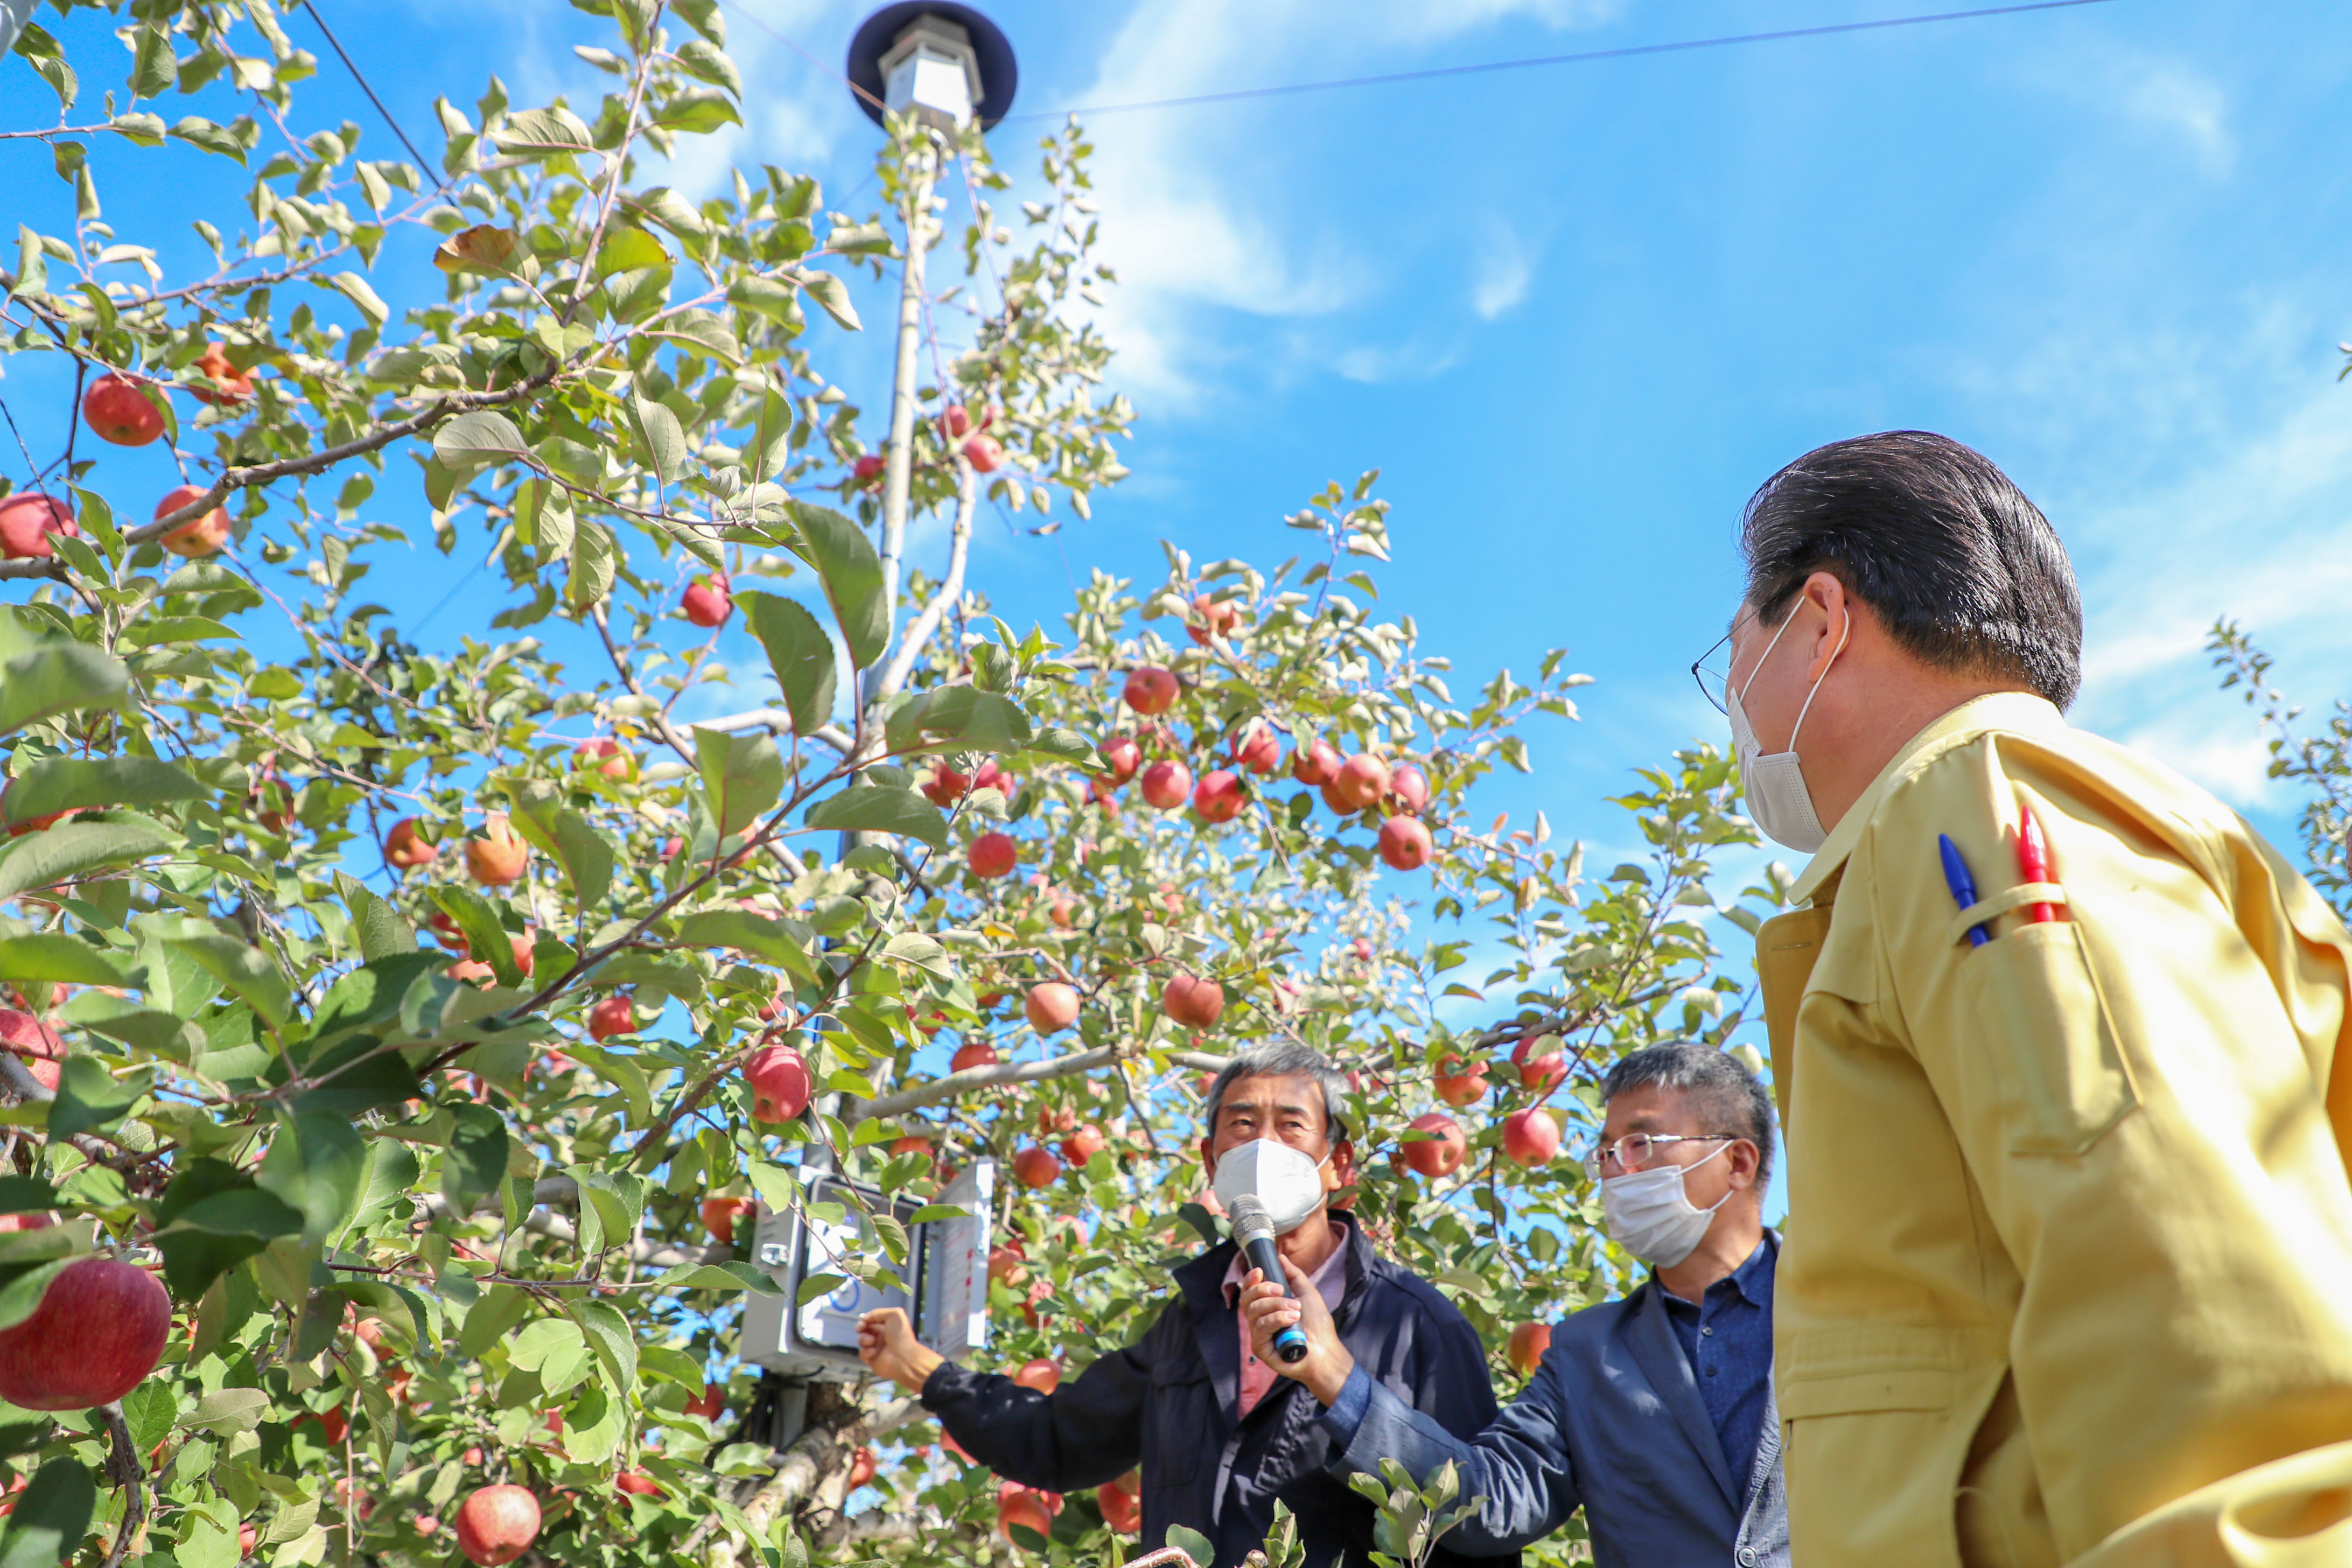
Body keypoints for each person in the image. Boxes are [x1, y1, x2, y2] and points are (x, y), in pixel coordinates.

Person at [1712, 430, 2352, 1567]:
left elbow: (2193, 1296)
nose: (1734, 700)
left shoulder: (1977, 805)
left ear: (1819, 619)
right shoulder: (1988, 828)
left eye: (1736, 648)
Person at [856, 1040, 1510, 1568]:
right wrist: (923, 1369)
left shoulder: (1416, 1324)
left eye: (1291, 1124)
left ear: (1338, 1163)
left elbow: (1475, 1520)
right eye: (1243, 1124)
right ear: (1211, 1159)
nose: (1263, 1145)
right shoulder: (1190, 1322)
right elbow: (1060, 1438)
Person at [1242, 1042, 1789, 1567]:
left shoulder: (1852, 1305)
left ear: (1737, 1160)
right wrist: (1332, 1372)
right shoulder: (1587, 1352)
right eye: (1606, 1151)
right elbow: (1490, 1497)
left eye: (1640, 1143)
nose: (1616, 1170)